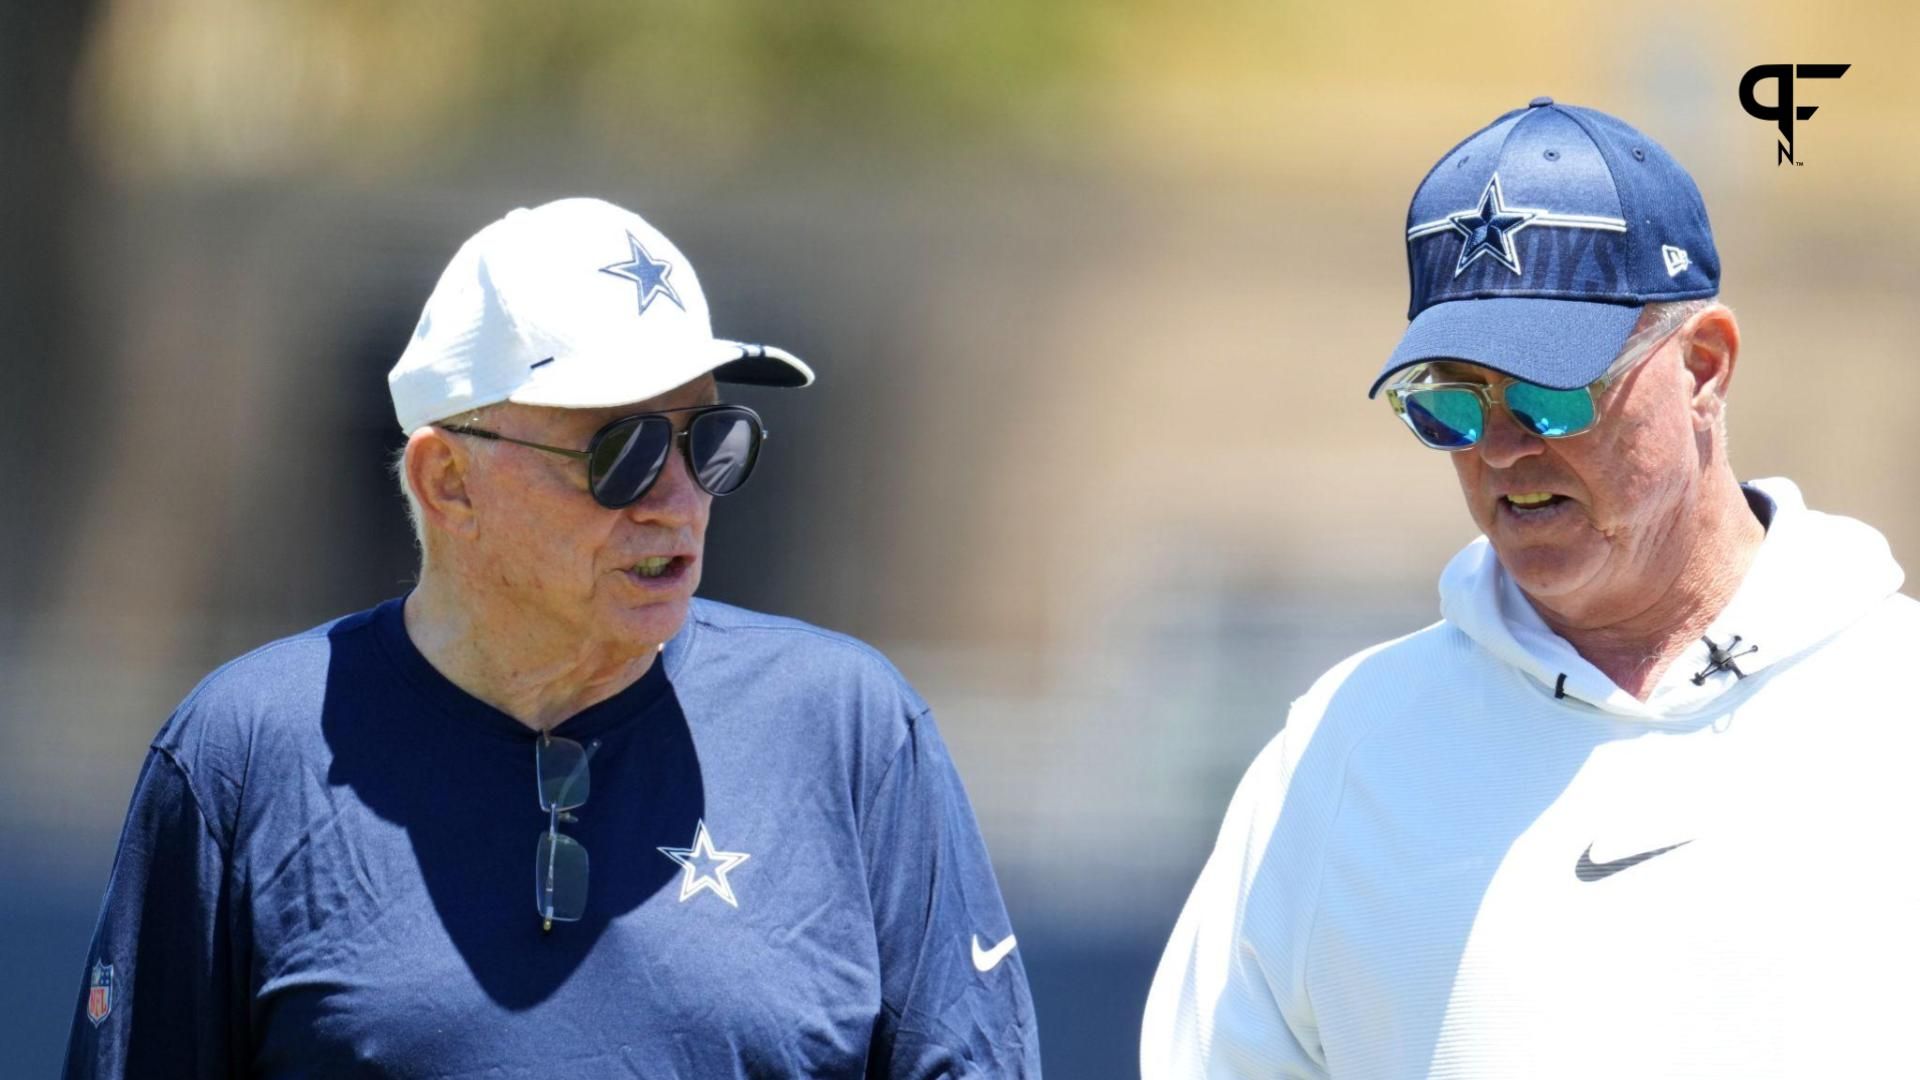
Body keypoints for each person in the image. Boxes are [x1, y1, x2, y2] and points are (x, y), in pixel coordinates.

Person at [64, 197, 1041, 1078]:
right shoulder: (241, 759)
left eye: (708, 442)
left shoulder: (851, 733)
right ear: (448, 481)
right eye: (622, 451)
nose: (677, 502)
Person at [1141, 98, 1920, 1078]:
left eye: (1555, 391)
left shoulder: (1899, 708)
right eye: (1451, 404)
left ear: (1705, 367)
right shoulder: (1333, 759)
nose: (1505, 450)